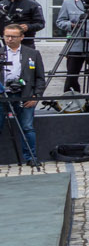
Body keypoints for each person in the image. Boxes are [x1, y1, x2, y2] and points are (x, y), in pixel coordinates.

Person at [1, 23, 45, 165]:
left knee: (27, 127)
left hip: (24, 95)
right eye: (7, 36)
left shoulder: (32, 53)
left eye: (13, 36)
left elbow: (40, 78)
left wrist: (36, 96)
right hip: (2, 95)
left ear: (21, 37)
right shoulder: (1, 52)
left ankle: (31, 158)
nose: (9, 39)